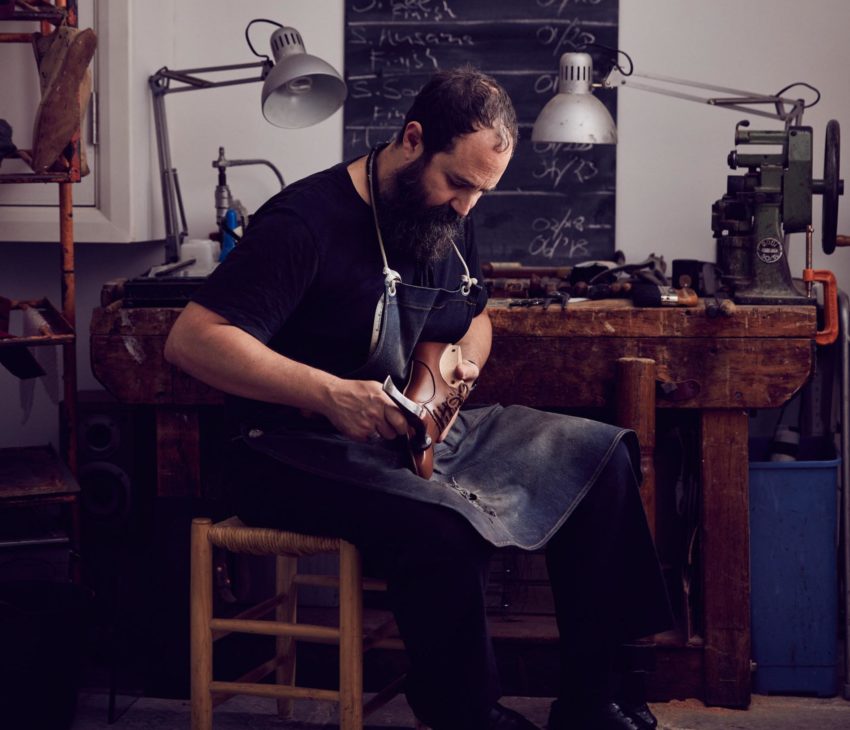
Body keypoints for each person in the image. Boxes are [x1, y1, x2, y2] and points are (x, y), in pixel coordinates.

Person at [165, 67, 672, 730]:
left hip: (404, 430)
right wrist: (328, 393)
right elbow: (191, 340)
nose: (466, 206)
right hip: (290, 448)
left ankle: (591, 698)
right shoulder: (304, 222)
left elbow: (472, 318)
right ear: (412, 140)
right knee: (442, 521)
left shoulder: (446, 215)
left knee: (599, 457)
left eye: (481, 191)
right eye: (458, 182)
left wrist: (443, 388)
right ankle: (464, 713)